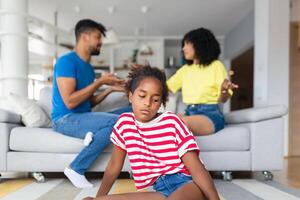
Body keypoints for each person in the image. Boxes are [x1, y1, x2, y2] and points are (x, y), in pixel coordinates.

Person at [84, 66, 220, 200]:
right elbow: (114, 166)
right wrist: (99, 198)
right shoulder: (124, 124)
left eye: (155, 100)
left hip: (189, 185)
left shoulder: (172, 122)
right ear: (131, 96)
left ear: (160, 102)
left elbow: (196, 168)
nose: (148, 103)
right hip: (161, 190)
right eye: (142, 96)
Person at [51, 19, 131, 188]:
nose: (100, 42)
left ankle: (92, 131)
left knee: (130, 113)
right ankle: (76, 168)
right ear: (84, 37)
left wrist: (110, 89)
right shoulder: (67, 62)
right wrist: (99, 82)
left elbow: (89, 102)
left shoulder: (87, 68)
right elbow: (71, 102)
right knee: (118, 122)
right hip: (65, 119)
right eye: (97, 37)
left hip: (84, 116)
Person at [167, 27, 238, 136]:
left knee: (179, 123)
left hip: (210, 114)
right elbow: (165, 89)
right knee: (163, 122)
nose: (183, 48)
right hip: (189, 112)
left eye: (187, 44)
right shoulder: (185, 70)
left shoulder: (216, 66)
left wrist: (224, 90)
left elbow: (223, 99)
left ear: (200, 44)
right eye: (183, 45)